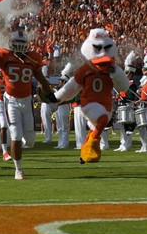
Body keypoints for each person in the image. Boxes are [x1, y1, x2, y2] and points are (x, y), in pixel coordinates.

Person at [0, 26, 53, 179]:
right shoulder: (4, 56)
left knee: (30, 141)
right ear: (11, 43)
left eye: (21, 43)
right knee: (16, 136)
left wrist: (52, 96)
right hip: (11, 102)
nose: (19, 46)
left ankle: (16, 148)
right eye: (16, 43)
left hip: (27, 101)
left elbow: (42, 80)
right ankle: (18, 170)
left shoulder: (32, 58)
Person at [52, 28, 129, 163]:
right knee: (102, 120)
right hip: (89, 103)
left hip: (107, 105)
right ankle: (92, 146)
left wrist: (116, 74)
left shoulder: (113, 69)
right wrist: (58, 96)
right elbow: (72, 87)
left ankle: (83, 153)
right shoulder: (85, 70)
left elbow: (123, 87)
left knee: (95, 127)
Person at [115, 51, 138, 152]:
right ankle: (122, 143)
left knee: (127, 126)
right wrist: (118, 96)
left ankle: (127, 145)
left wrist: (123, 97)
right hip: (122, 105)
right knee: (122, 126)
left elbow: (131, 96)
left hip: (128, 105)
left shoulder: (132, 84)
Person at [55, 63, 74, 149]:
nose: (59, 82)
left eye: (61, 81)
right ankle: (60, 143)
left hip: (64, 107)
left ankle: (65, 143)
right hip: (58, 107)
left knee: (64, 126)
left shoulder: (67, 89)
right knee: (59, 126)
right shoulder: (60, 89)